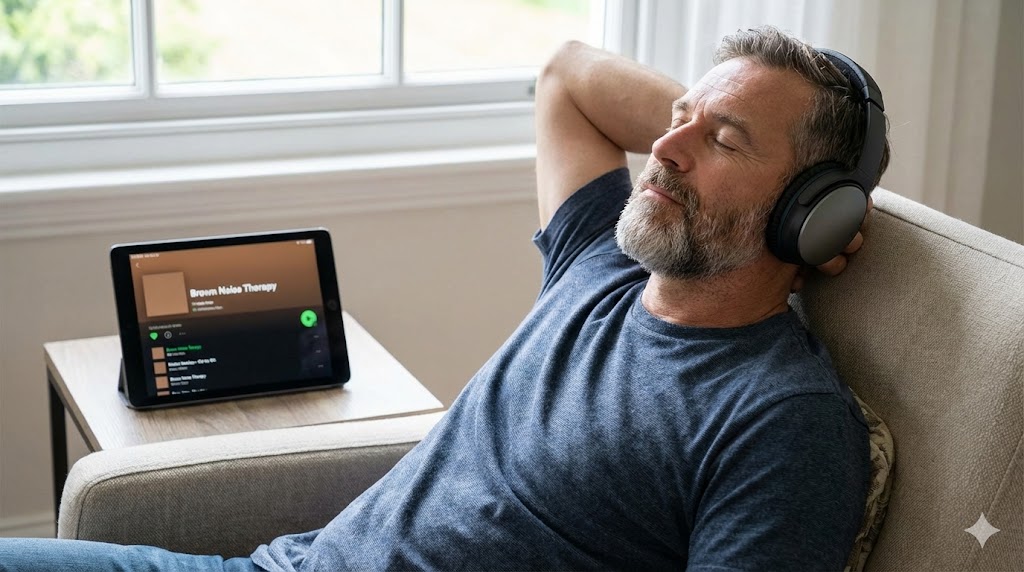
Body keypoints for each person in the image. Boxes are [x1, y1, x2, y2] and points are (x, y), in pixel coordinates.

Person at [0, 25, 890, 571]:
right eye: (674, 119)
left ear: (809, 215)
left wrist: (811, 197)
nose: (666, 148)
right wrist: (707, 120)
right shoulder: (598, 264)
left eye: (724, 139)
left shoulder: (783, 423)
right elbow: (568, 75)